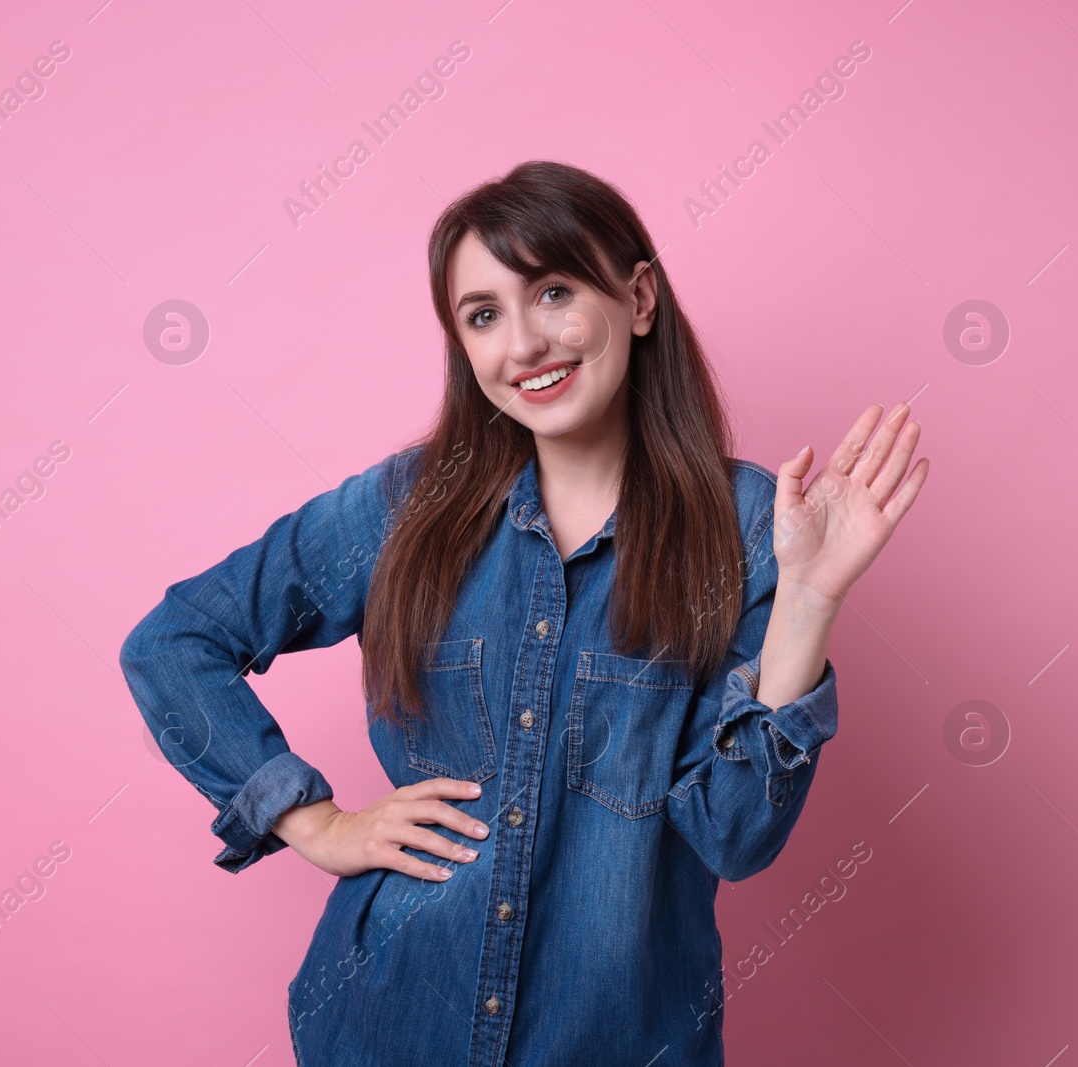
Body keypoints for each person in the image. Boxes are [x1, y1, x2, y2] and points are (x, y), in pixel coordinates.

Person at [119, 159, 928, 1066]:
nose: (524, 345)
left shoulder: (749, 529)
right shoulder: (407, 505)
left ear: (640, 298)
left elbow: (733, 836)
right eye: (483, 315)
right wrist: (314, 822)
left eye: (552, 291)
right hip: (384, 1030)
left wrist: (810, 601)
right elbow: (174, 642)